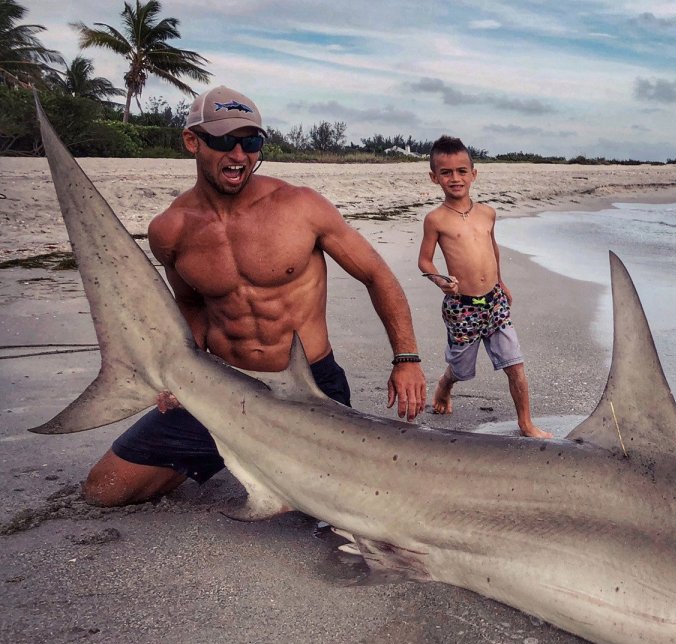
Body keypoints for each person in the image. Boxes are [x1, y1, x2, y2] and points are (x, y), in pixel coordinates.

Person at [83, 85, 427, 506]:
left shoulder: (300, 207)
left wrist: (406, 359)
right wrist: (179, 372)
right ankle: (232, 452)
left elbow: (377, 275)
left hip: (308, 389)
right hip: (224, 388)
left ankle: (266, 460)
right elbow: (191, 305)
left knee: (353, 513)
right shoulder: (170, 229)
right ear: (193, 142)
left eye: (250, 142)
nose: (239, 155)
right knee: (105, 489)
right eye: (225, 141)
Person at [417, 135, 551, 439]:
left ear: (473, 174)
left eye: (462, 171)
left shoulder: (487, 213)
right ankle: (445, 385)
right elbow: (424, 261)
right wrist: (439, 280)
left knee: (514, 363)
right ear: (434, 177)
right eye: (446, 172)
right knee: (462, 368)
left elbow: (493, 251)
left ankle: (526, 424)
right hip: (462, 307)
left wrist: (501, 283)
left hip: (495, 303)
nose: (455, 178)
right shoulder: (436, 220)